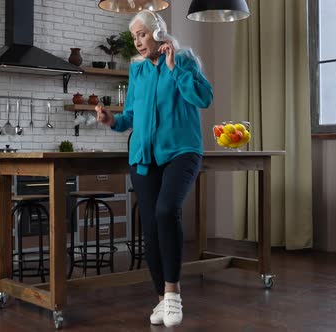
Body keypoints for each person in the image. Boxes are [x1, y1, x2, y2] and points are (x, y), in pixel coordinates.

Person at [95, 9, 213, 328]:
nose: (138, 41)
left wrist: (175, 70)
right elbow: (130, 116)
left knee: (165, 212)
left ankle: (173, 294)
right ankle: (161, 298)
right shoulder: (137, 71)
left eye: (142, 34)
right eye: (134, 37)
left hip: (181, 150)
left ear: (158, 34)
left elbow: (203, 98)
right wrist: (112, 121)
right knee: (149, 229)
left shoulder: (184, 59)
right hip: (144, 156)